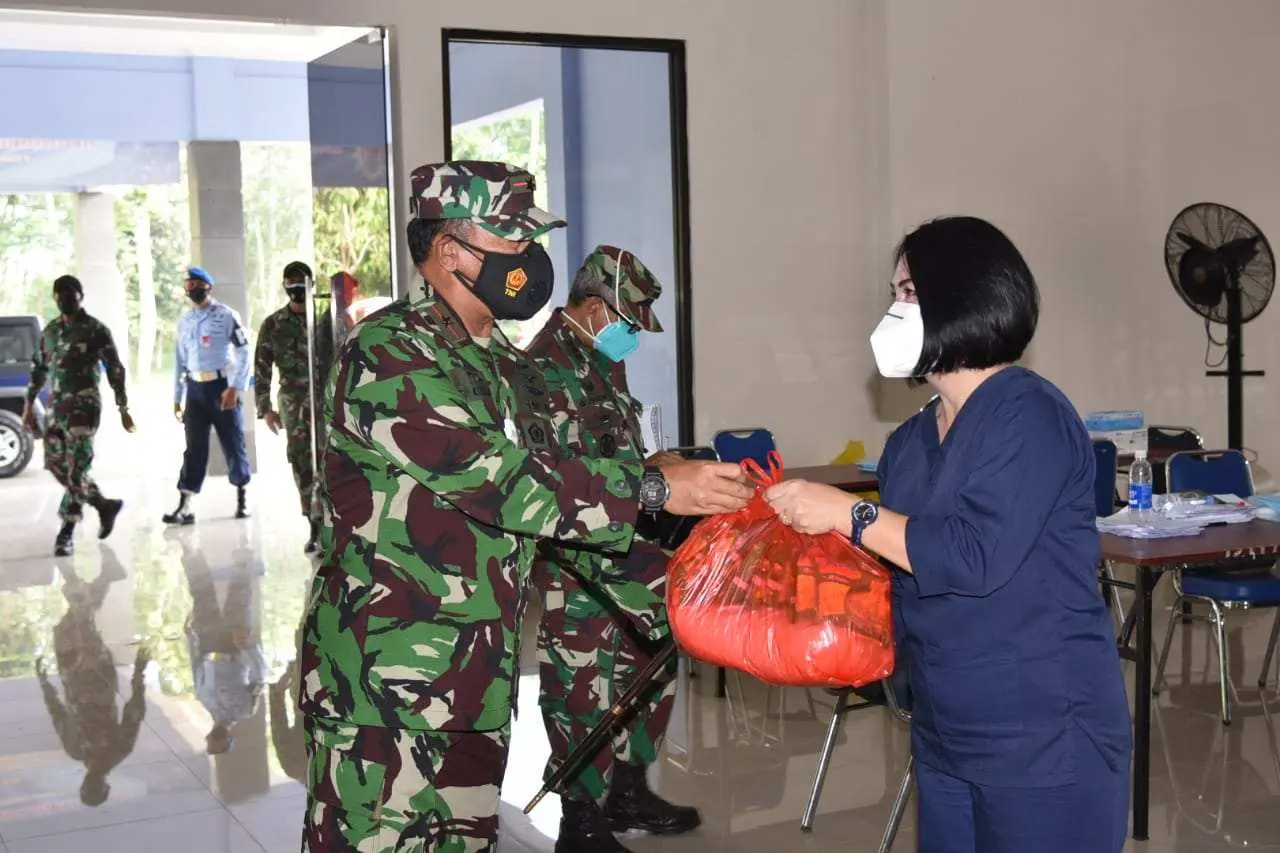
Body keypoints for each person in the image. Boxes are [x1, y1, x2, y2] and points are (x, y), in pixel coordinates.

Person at [298, 160, 752, 852]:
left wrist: (651, 469)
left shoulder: (492, 359)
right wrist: (653, 488)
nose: (531, 262)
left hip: (467, 676)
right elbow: (501, 481)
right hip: (385, 691)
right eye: (513, 242)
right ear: (451, 252)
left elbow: (556, 463)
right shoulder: (392, 353)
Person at [765, 216, 1131, 853]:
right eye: (893, 293)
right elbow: (897, 563)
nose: (893, 309)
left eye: (908, 292)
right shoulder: (909, 442)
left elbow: (972, 555)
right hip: (945, 723)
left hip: (1040, 729)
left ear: (966, 294)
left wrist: (849, 514)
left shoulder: (1029, 414)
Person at [525, 245, 696, 851]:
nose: (633, 339)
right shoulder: (542, 368)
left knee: (656, 655)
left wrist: (660, 465)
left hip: (625, 543)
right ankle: (581, 819)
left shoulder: (601, 358)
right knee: (582, 686)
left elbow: (615, 455)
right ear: (595, 309)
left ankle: (629, 787)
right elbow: (554, 480)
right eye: (627, 325)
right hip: (577, 561)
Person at [22, 275, 133, 556]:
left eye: (70, 294)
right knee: (58, 466)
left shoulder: (95, 330)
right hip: (55, 410)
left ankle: (66, 532)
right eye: (59, 295)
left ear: (81, 296)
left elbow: (115, 369)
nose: (64, 299)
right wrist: (27, 407)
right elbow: (38, 369)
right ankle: (104, 505)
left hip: (84, 409)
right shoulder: (50, 331)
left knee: (78, 469)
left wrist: (123, 407)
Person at [37, 548, 148, 806]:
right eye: (96, 789)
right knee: (82, 620)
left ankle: (107, 575)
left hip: (72, 680)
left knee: (67, 627)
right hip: (97, 677)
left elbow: (58, 715)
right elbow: (134, 711)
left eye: (86, 789)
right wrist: (139, 672)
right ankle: (68, 570)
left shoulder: (75, 750)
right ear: (106, 787)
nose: (91, 784)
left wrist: (45, 685)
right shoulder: (119, 750)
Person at [254, 261, 335, 553]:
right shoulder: (274, 324)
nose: (296, 288)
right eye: (291, 283)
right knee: (302, 462)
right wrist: (264, 408)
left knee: (328, 459)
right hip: (293, 401)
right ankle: (313, 525)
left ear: (311, 285)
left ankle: (330, 523)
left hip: (324, 400)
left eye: (301, 282)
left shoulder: (326, 322)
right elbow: (261, 367)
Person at [164, 267, 252, 525]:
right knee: (194, 449)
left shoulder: (226, 316)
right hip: (195, 391)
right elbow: (179, 361)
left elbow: (244, 351)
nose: (191, 289)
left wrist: (235, 387)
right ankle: (186, 505)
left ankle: (242, 497)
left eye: (195, 284)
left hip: (222, 387)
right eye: (188, 284)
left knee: (233, 444)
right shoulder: (185, 321)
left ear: (207, 287)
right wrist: (177, 397)